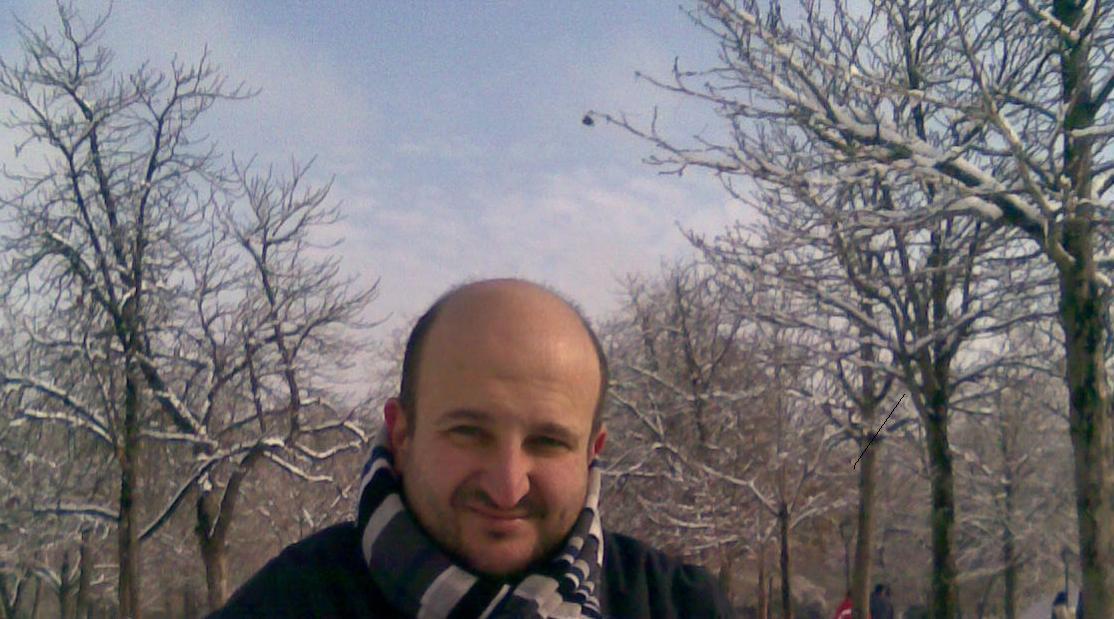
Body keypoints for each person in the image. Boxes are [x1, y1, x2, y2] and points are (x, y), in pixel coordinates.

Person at [209, 279, 734, 618]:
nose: (508, 487)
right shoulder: (286, 604)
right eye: (468, 432)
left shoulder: (681, 607)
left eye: (548, 442)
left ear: (591, 452)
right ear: (402, 435)